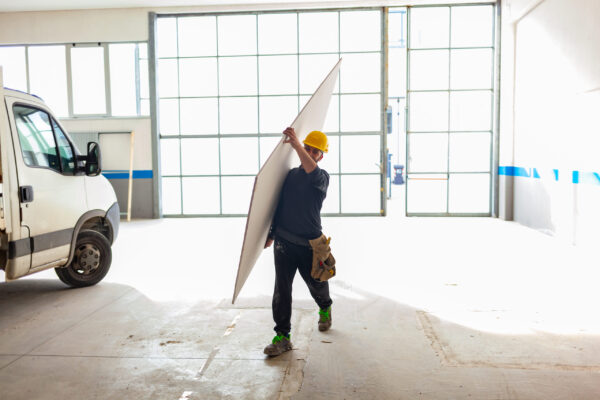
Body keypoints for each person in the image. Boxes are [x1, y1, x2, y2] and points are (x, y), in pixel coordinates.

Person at [263, 127, 333, 357]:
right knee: (282, 290)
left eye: (315, 151)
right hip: (284, 241)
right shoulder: (291, 176)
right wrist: (272, 233)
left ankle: (325, 306)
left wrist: (296, 145)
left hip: (310, 245)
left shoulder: (321, 177)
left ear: (321, 156)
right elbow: (280, 205)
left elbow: (311, 170)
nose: (310, 153)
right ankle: (283, 336)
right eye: (308, 148)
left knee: (316, 285)